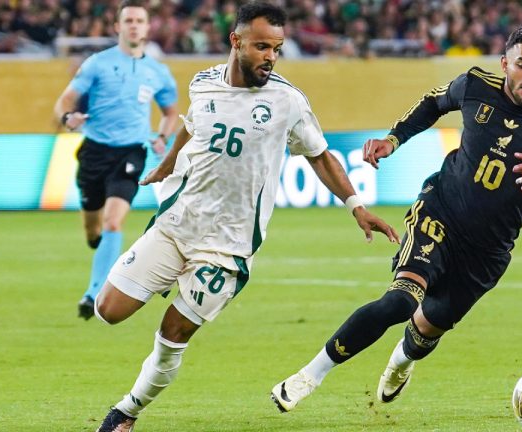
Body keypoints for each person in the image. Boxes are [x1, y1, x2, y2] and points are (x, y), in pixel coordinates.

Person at [89, 3, 399, 431]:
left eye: (277, 49)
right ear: (235, 41)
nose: (270, 57)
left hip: (227, 249)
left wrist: (356, 206)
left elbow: (320, 155)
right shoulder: (203, 83)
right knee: (108, 310)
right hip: (177, 225)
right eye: (261, 47)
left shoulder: (287, 101)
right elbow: (192, 124)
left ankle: (126, 412)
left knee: (172, 335)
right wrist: (169, 163)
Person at [271, 24, 522, 412]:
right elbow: (433, 102)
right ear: (505, 64)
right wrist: (394, 138)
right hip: (440, 214)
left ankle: (401, 361)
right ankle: (308, 376)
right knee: (400, 301)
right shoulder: (475, 85)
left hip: (488, 252)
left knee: (425, 330)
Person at [53, 0, 179, 320]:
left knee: (113, 221)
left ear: (147, 27)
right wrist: (68, 117)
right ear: (117, 27)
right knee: (93, 229)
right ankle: (97, 243)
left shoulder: (158, 72)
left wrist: (162, 135)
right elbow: (65, 100)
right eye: (128, 21)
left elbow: (170, 112)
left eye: (139, 21)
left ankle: (94, 293)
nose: (134, 26)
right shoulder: (97, 64)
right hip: (95, 151)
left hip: (131, 151)